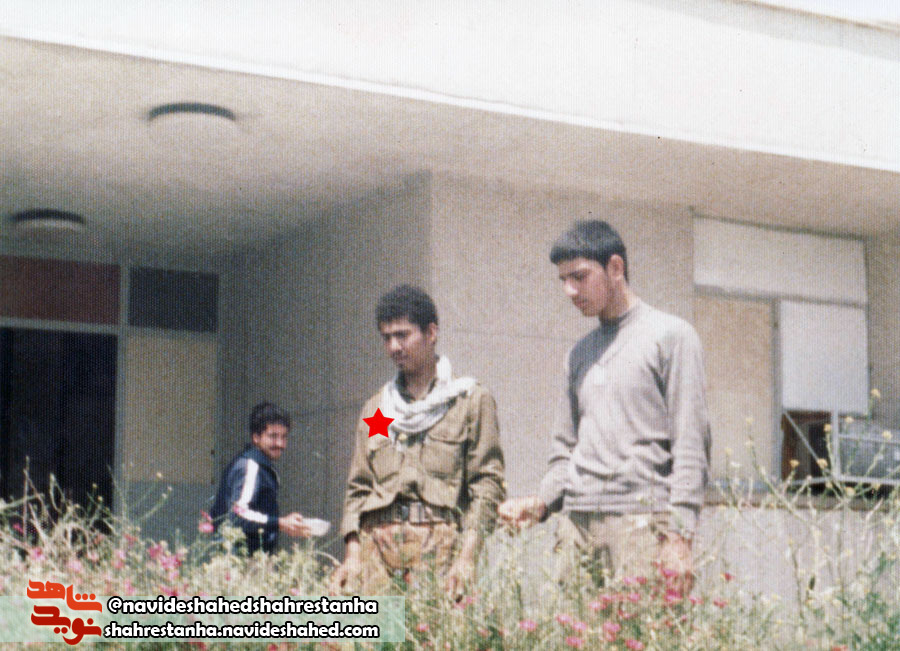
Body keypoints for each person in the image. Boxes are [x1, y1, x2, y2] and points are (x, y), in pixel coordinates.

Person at [498, 220, 710, 595]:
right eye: (563, 280)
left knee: (643, 627)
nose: (569, 290)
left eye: (579, 276)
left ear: (615, 267)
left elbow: (691, 444)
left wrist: (680, 535)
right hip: (577, 526)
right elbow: (564, 453)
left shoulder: (671, 336)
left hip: (641, 524)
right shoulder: (579, 354)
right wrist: (541, 502)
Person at [329, 285, 506, 597]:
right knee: (380, 629)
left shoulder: (468, 401)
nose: (394, 347)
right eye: (386, 338)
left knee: (435, 628)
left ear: (431, 332)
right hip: (379, 552)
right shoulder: (378, 409)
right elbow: (359, 489)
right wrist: (353, 556)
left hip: (441, 549)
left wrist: (468, 557)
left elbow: (487, 486)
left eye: (403, 335)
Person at [210, 401, 310, 553]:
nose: (280, 443)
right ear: (256, 437)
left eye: (284, 437)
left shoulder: (260, 465)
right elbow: (238, 515)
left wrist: (281, 524)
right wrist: (280, 523)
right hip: (239, 559)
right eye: (273, 436)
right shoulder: (250, 466)